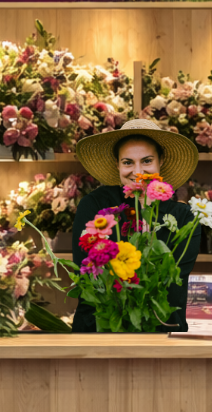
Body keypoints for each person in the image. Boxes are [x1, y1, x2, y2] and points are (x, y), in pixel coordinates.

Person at [66, 118, 202, 333]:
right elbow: (89, 275)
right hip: (99, 328)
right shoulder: (95, 205)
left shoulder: (184, 218)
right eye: (128, 162)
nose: (137, 172)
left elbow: (173, 283)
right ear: (117, 164)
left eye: (147, 161)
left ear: (161, 161)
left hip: (160, 328)